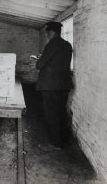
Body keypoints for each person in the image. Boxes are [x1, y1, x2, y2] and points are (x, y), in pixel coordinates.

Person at [33, 21, 73, 151]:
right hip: (64, 84)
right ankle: (63, 139)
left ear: (50, 32)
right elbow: (58, 62)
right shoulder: (67, 45)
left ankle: (55, 144)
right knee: (61, 112)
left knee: (51, 114)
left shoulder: (52, 44)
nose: (47, 36)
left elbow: (40, 65)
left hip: (51, 86)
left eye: (47, 34)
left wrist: (39, 60)